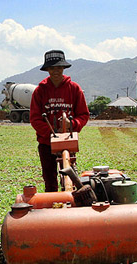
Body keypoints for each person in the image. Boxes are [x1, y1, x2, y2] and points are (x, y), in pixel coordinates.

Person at [30, 50, 89, 192]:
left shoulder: (74, 89)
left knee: (69, 178)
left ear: (63, 68)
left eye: (58, 68)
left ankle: (69, 205)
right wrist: (51, 133)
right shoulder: (40, 91)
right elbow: (35, 118)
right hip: (46, 143)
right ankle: (53, 208)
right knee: (49, 180)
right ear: (47, 70)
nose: (55, 71)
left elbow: (83, 115)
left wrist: (72, 124)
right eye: (52, 68)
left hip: (68, 142)